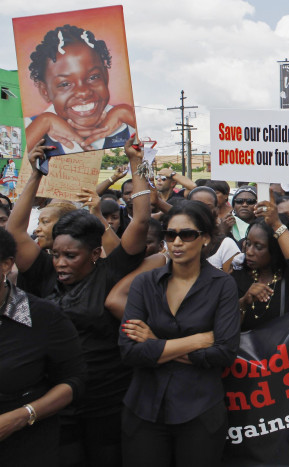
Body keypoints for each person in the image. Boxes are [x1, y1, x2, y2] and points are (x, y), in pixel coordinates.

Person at [7, 137, 150, 466]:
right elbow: (15, 233)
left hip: (108, 400)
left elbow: (141, 219)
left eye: (71, 256)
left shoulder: (111, 273)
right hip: (56, 400)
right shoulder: (44, 274)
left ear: (95, 253)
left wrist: (137, 162)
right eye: (56, 254)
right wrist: (35, 174)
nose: (60, 263)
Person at [119, 201, 240, 467]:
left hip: (200, 410)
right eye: (169, 234)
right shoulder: (144, 283)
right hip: (143, 408)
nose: (176, 242)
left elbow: (224, 351)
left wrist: (155, 344)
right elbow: (129, 350)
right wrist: (197, 341)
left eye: (186, 235)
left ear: (205, 238)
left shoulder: (223, 285)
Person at [0, 228, 86, 465]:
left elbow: (74, 381)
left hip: (25, 447)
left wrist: (21, 416)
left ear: (6, 265)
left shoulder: (45, 317)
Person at [25, 25, 135, 155]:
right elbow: (11, 157)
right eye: (65, 84)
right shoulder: (31, 126)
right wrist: (44, 122)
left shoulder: (126, 123)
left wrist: (126, 114)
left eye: (93, 77)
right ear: (45, 91)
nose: (83, 92)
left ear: (105, 76)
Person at [232, 197, 289, 332]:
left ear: (275, 248)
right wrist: (244, 302)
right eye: (248, 244)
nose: (249, 252)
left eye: (258, 247)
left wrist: (276, 224)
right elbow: (225, 327)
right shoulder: (238, 276)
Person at [187, 187, 240, 272]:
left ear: (216, 210)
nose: (201, 211)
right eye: (196, 206)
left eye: (207, 207)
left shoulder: (226, 245)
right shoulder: (175, 239)